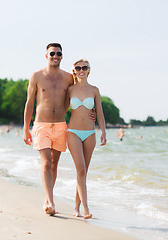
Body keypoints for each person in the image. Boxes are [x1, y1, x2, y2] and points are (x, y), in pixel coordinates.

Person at [23, 43, 95, 216]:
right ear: (46, 55)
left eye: (59, 53)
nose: (55, 56)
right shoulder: (37, 76)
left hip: (61, 125)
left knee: (54, 164)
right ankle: (49, 201)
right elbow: (30, 102)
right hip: (41, 124)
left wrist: (90, 111)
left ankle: (49, 197)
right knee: (46, 162)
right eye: (52, 53)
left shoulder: (68, 78)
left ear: (62, 56)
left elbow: (81, 91)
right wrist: (26, 127)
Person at [67, 59, 107, 219]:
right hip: (73, 133)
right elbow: (59, 107)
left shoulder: (94, 90)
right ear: (74, 70)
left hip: (90, 133)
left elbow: (100, 112)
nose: (81, 70)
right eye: (78, 67)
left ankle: (76, 208)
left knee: (82, 172)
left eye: (84, 67)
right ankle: (86, 209)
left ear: (89, 70)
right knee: (81, 170)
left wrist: (103, 131)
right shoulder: (70, 90)